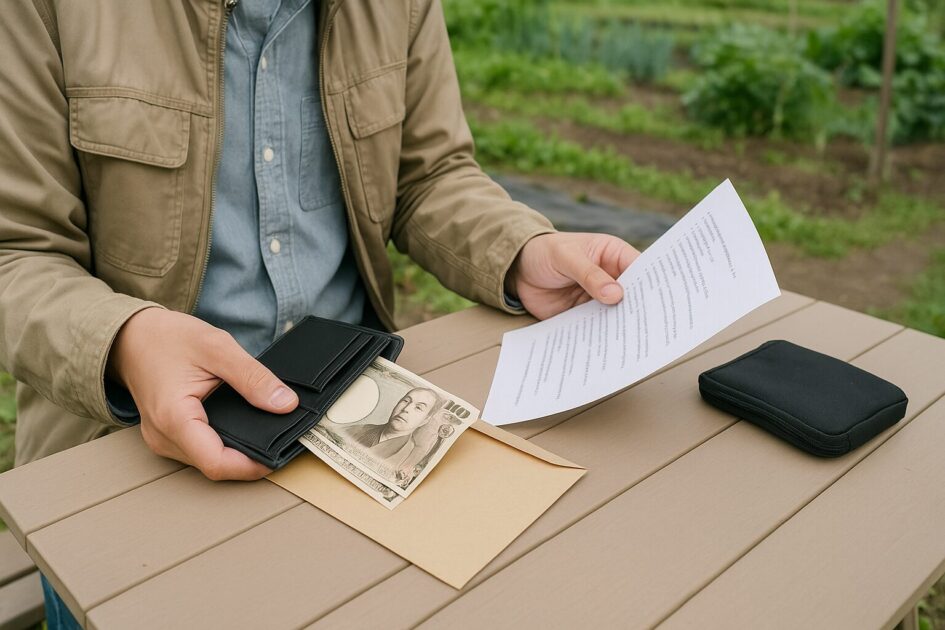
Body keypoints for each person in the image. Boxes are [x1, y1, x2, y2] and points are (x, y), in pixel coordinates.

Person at [0, 2, 639, 625]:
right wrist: (125, 342)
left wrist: (523, 248)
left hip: (355, 418)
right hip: (124, 459)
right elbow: (15, 250)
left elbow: (429, 174)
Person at [345, 387, 442, 461]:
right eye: (405, 401)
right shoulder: (356, 430)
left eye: (418, 407)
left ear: (425, 420)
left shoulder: (410, 457)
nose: (406, 409)